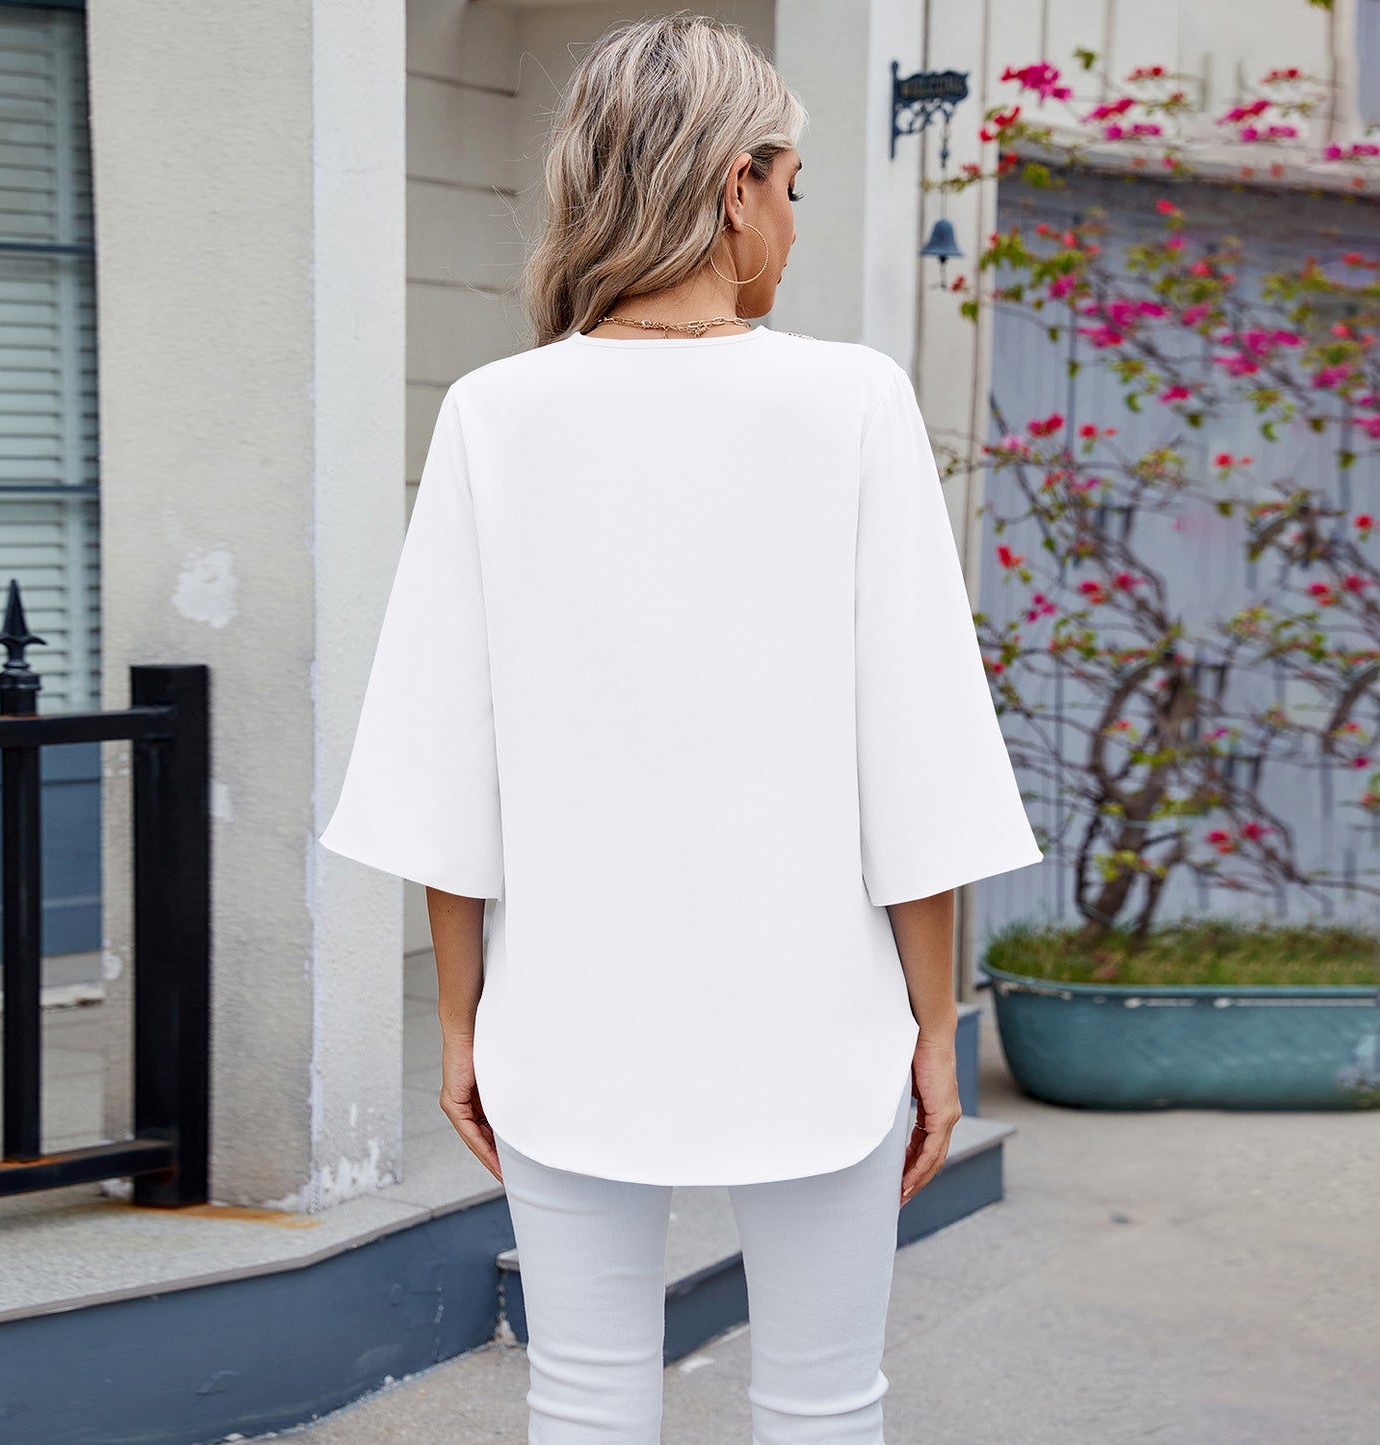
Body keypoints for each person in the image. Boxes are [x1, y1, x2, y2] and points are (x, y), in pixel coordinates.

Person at [319, 12, 1043, 1443]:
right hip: (817, 1012)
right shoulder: (851, 402)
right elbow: (915, 757)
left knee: (583, 1399)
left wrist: (463, 1022)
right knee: (825, 1401)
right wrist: (933, 1027)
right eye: (791, 185)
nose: (793, 222)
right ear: (733, 184)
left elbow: (443, 760)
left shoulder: (492, 415)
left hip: (569, 1012)